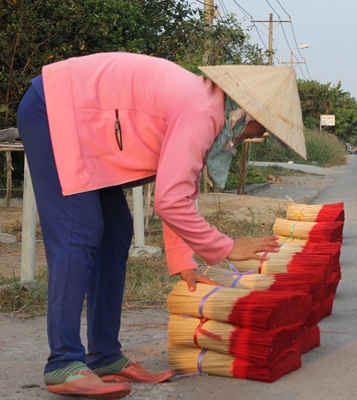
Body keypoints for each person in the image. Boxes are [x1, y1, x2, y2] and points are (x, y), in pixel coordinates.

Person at [16, 52, 306, 399]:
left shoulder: (207, 104)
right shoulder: (201, 111)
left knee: (115, 231)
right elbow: (169, 201)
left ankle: (105, 357)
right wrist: (226, 248)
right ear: (248, 113)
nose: (257, 136)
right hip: (54, 107)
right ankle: (62, 362)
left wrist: (184, 261)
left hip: (88, 126)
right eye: (263, 128)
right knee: (80, 231)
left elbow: (181, 188)